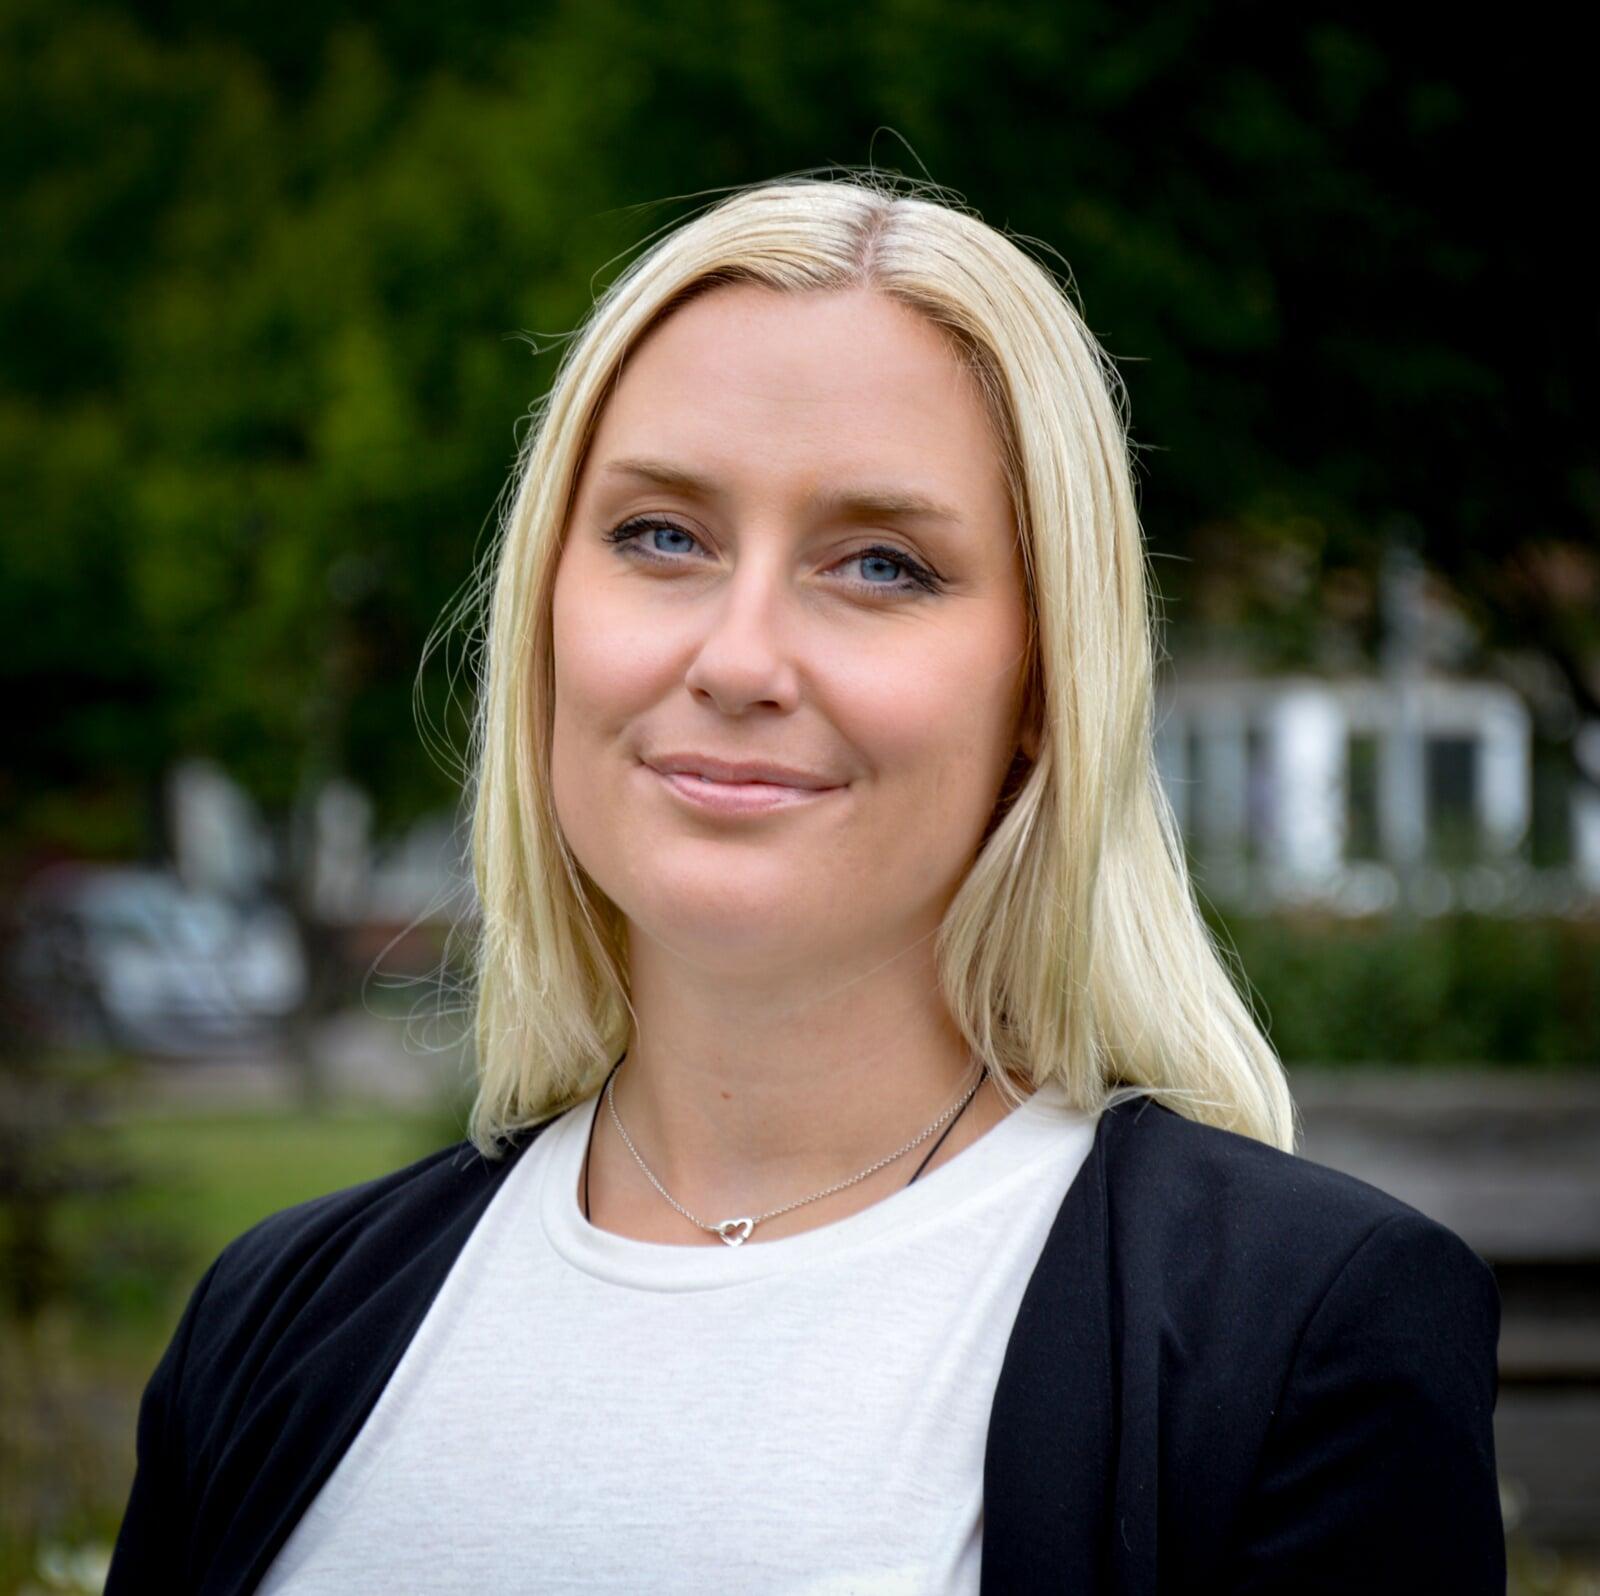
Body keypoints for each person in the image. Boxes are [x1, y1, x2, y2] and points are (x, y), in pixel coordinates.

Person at [105, 172, 1504, 1594]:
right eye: (663, 536)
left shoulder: (1299, 1344)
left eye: (881, 564)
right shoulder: (272, 1329)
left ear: (1043, 685)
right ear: (545, 611)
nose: (738, 659)